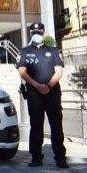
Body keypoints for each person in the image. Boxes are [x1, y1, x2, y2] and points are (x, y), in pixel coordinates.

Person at [17, 22, 68, 169]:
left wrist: (48, 85)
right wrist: (37, 85)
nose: (37, 35)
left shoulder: (53, 51)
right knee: (36, 126)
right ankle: (36, 157)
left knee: (56, 126)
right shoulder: (24, 51)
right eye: (34, 33)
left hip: (52, 93)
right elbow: (22, 72)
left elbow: (59, 71)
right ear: (31, 34)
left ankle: (60, 158)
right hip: (34, 93)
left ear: (44, 33)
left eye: (39, 33)